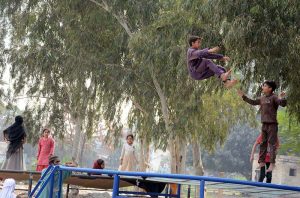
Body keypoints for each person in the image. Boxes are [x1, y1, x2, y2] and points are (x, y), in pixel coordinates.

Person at [238, 80, 287, 172]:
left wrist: (282, 98)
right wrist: (243, 97)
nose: (263, 87)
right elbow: (253, 102)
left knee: (272, 144)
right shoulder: (262, 98)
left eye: (265, 86)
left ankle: (272, 164)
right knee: (263, 143)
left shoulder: (274, 98)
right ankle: (262, 161)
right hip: (264, 124)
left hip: (272, 125)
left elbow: (282, 103)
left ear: (270, 88)